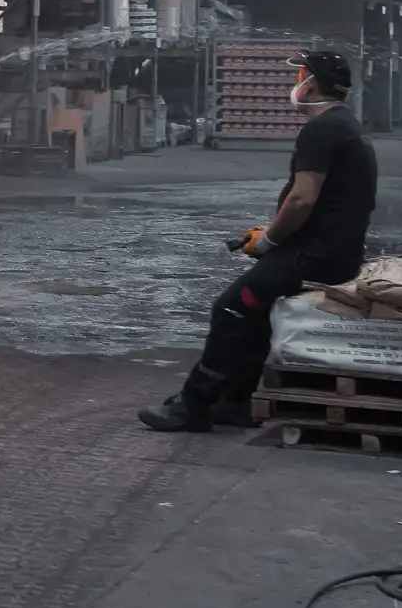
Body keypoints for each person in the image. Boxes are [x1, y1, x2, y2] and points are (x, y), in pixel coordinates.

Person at [139, 50, 376, 432]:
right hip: (332, 251)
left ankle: (193, 405)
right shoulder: (346, 126)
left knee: (230, 309)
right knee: (257, 310)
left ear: (311, 84)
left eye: (300, 75)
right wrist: (275, 233)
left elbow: (302, 200)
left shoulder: (322, 130)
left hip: (315, 256)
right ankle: (235, 402)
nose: (296, 83)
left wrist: (268, 240)